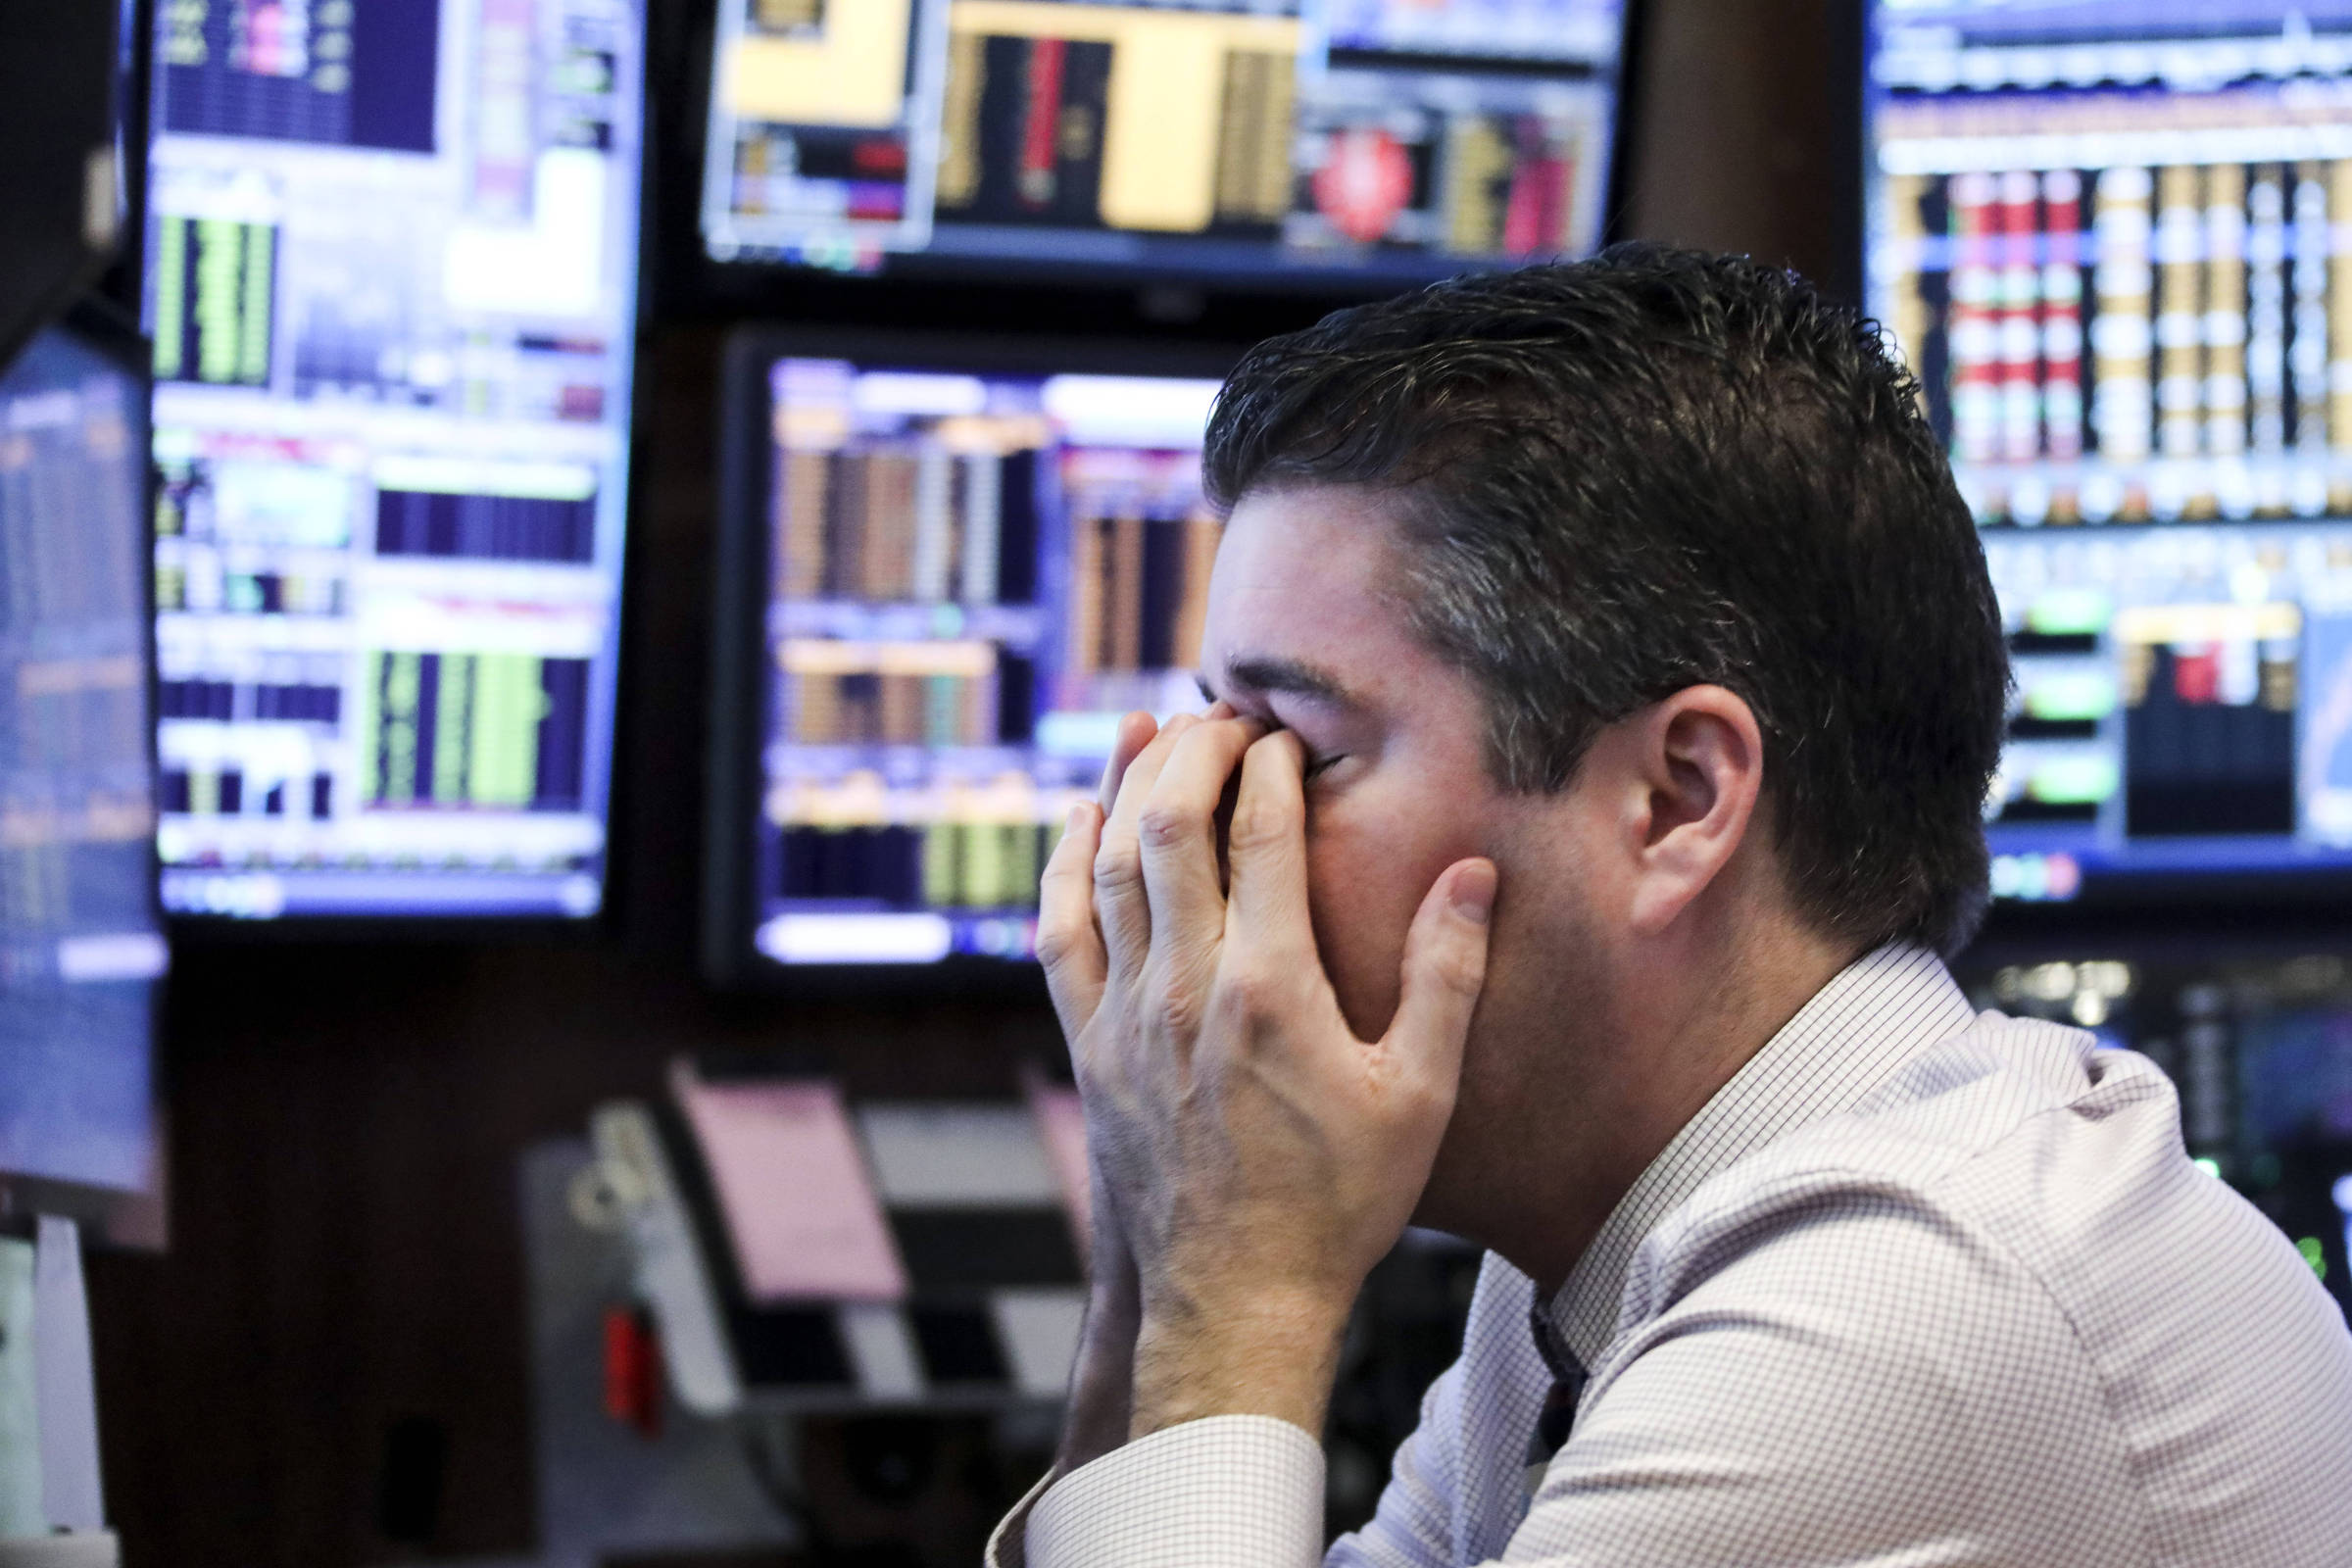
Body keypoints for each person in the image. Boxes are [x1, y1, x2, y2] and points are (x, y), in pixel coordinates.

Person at [990, 247, 2352, 1568]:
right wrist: (1161, 1236)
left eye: (1296, 746)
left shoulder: (1895, 1316)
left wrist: (1239, 1290)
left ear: (1676, 800)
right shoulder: (1618, 1254)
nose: (1199, 825)